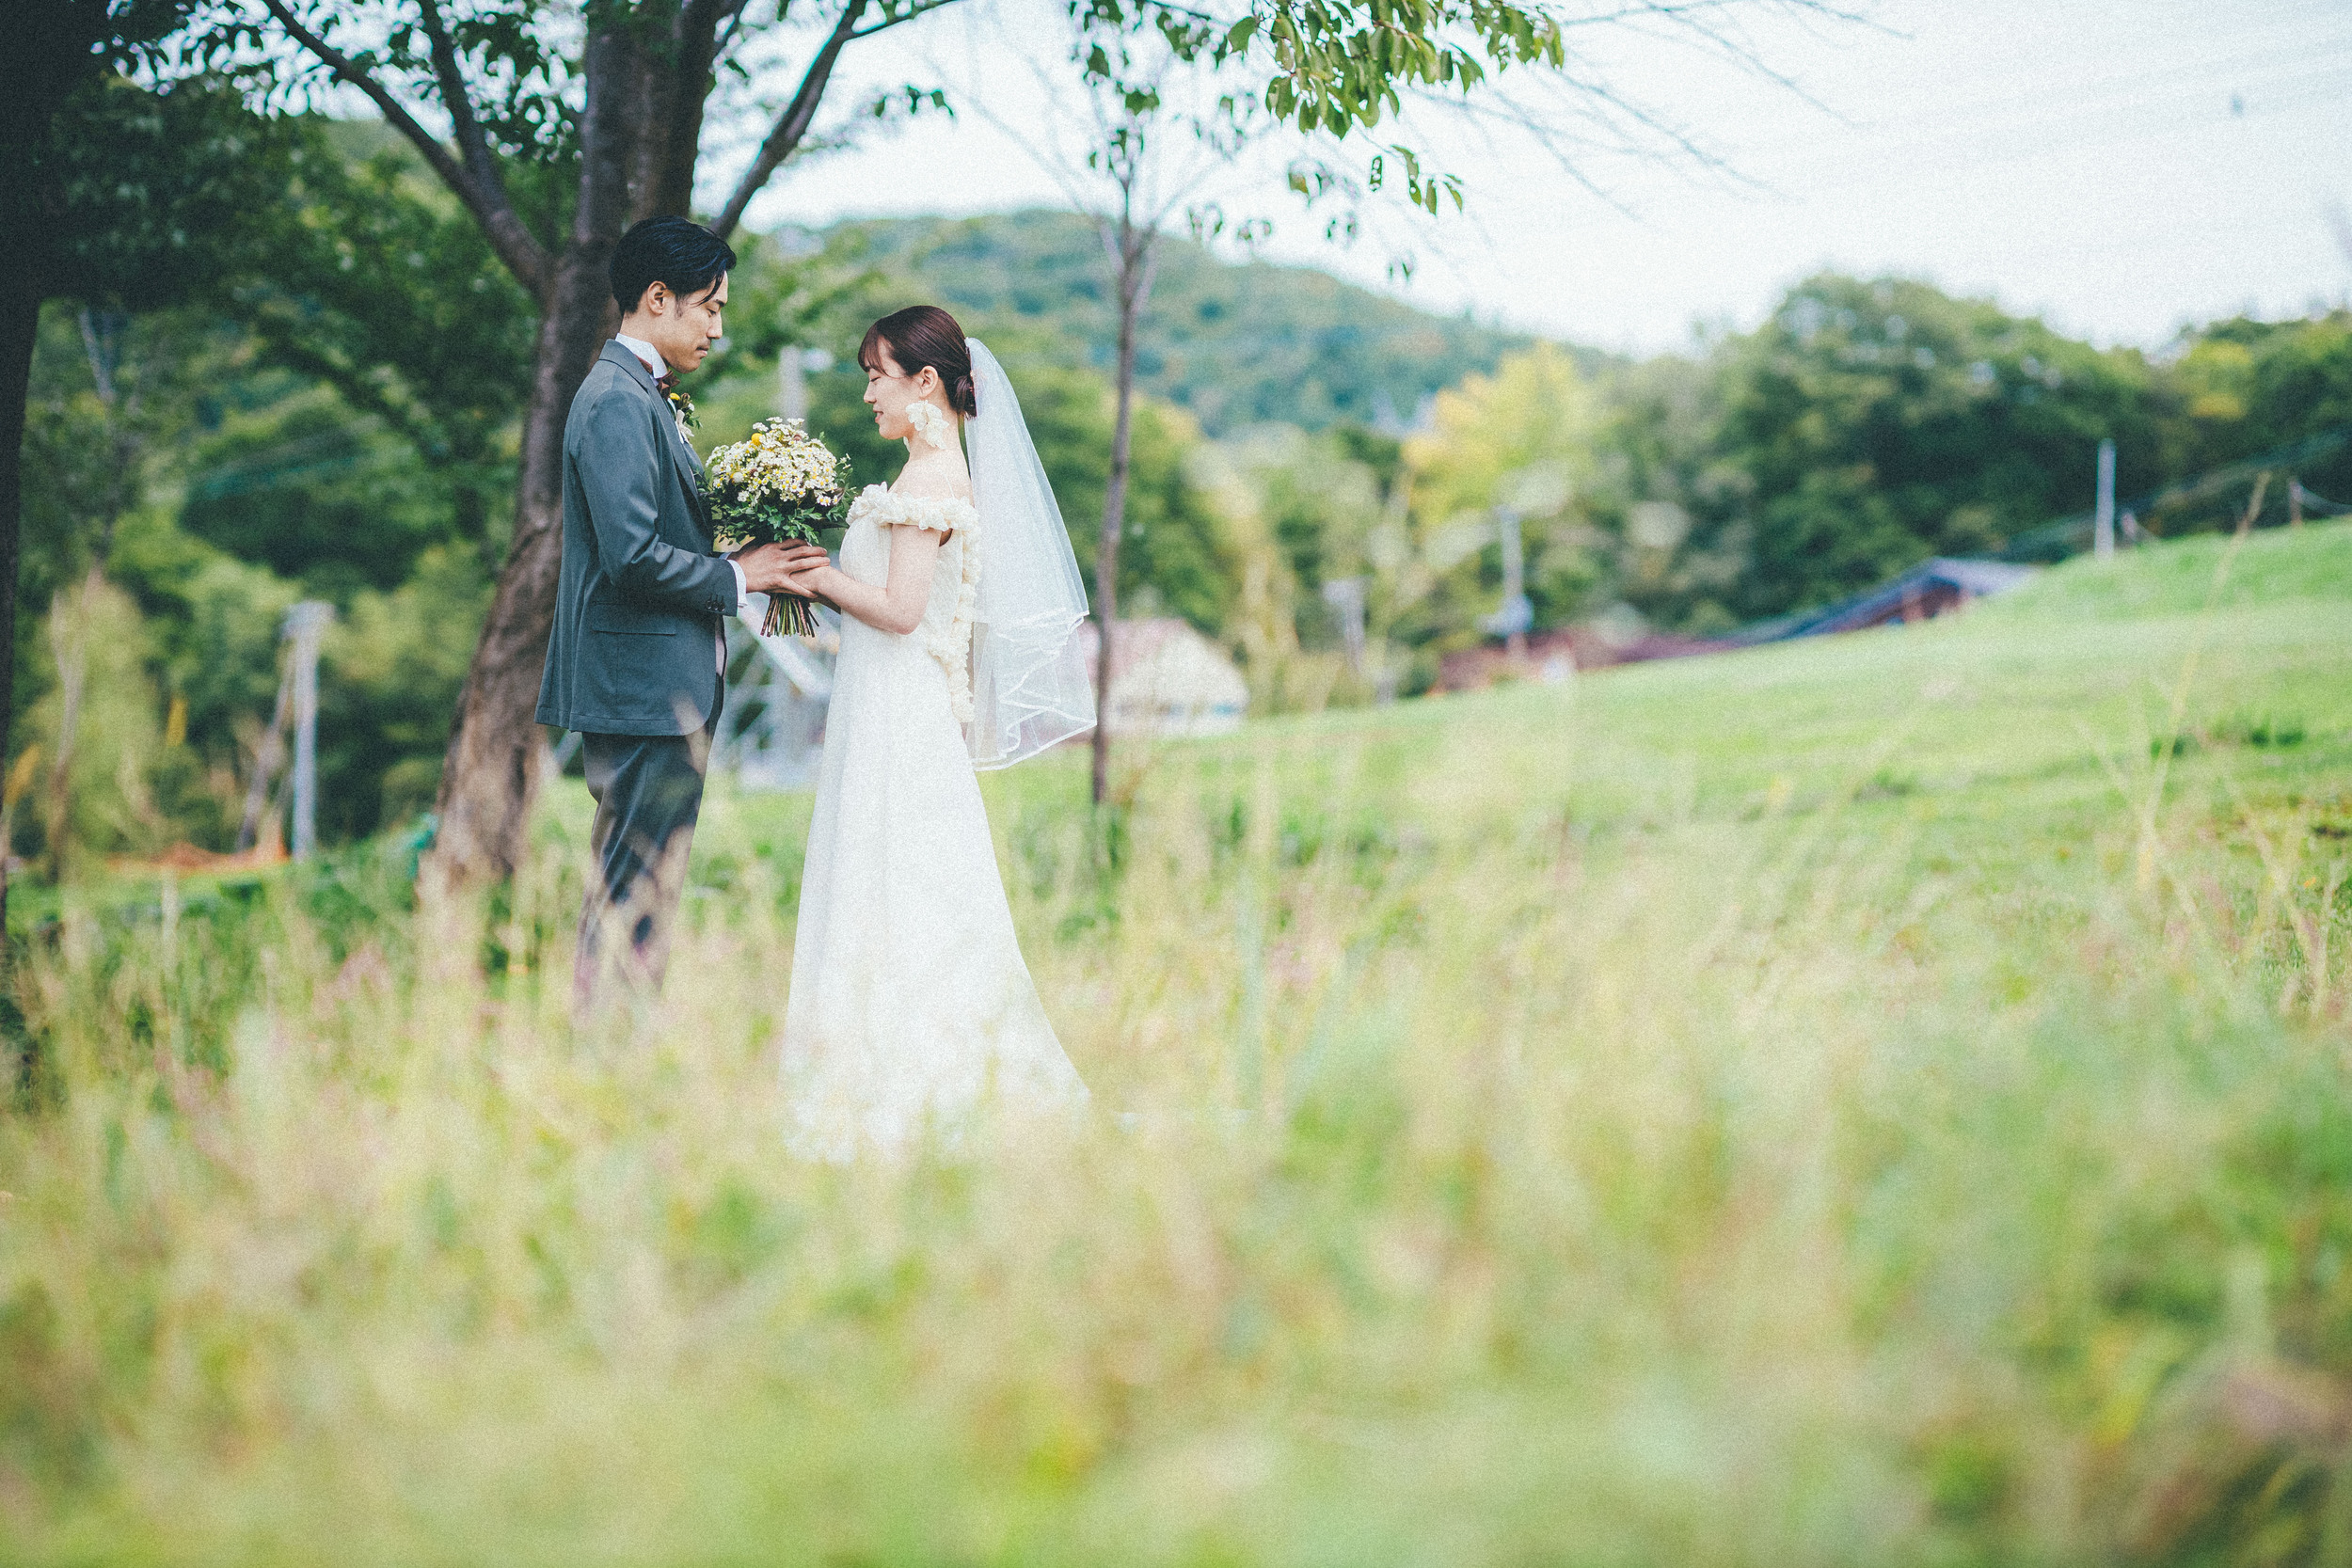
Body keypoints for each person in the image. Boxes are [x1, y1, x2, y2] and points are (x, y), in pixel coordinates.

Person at [773, 305, 1096, 1153]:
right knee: (895, 879)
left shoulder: (929, 483)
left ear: (925, 381)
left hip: (900, 710)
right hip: (885, 701)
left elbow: (901, 609)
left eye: (877, 376)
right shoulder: (927, 472)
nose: (868, 394)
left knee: (900, 880)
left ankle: (910, 1090)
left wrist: (811, 576)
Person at [536, 215, 827, 999]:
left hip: (652, 686)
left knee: (643, 886)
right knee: (633, 888)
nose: (718, 328)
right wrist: (740, 575)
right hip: (641, 690)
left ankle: (623, 1042)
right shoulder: (617, 401)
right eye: (711, 306)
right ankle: (610, 1048)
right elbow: (631, 557)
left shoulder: (640, 395)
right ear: (658, 297)